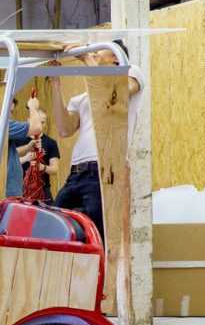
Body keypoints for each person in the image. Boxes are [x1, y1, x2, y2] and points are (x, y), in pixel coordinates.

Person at [49, 42, 143, 240]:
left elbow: (114, 96)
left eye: (98, 50)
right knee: (55, 229)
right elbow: (64, 129)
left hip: (102, 171)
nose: (93, 53)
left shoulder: (130, 72)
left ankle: (102, 271)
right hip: (76, 173)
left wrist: (87, 59)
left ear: (116, 58)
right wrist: (55, 84)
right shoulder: (81, 99)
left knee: (99, 237)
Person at [24, 107, 60, 203]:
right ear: (28, 119)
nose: (39, 125)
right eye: (36, 121)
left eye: (42, 122)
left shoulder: (51, 143)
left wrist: (42, 167)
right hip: (22, 190)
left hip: (43, 190)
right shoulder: (18, 140)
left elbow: (55, 170)